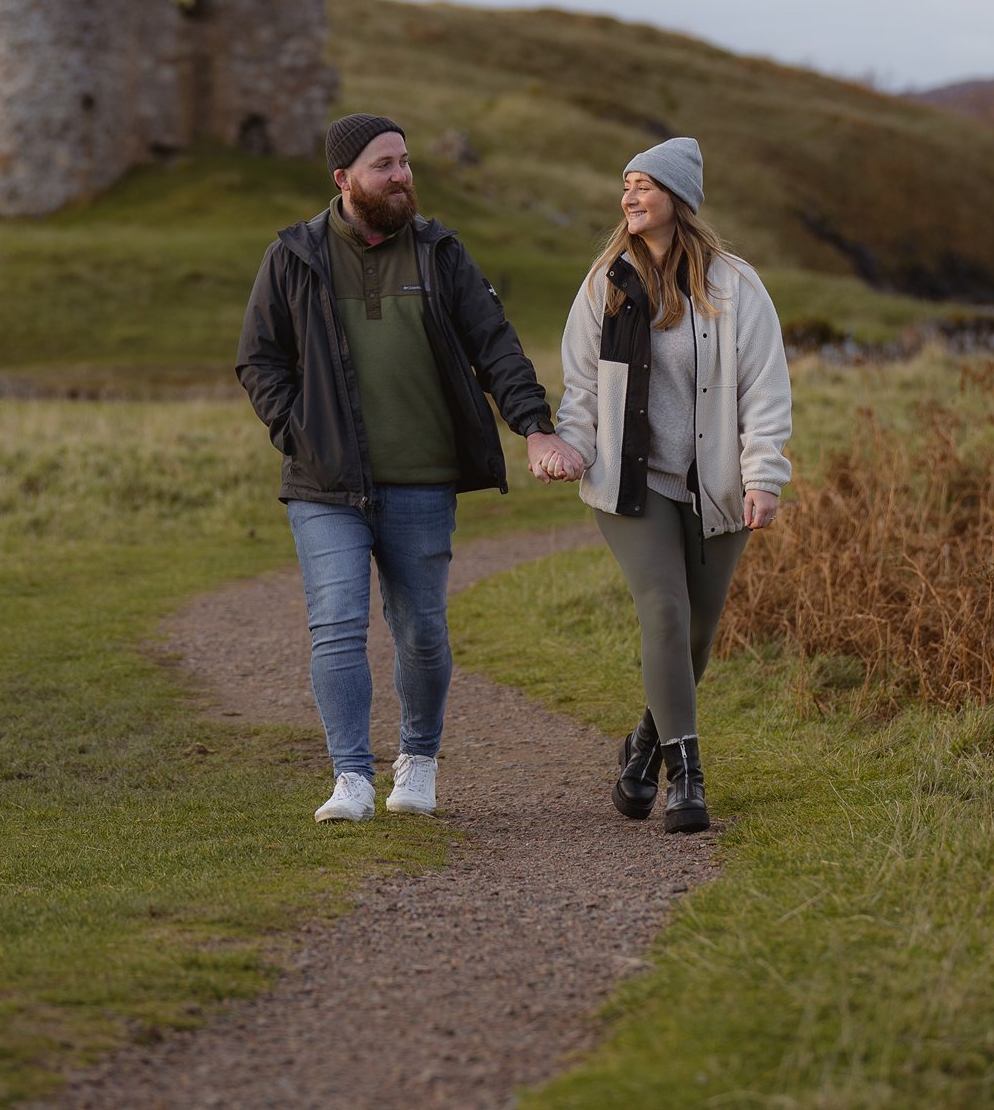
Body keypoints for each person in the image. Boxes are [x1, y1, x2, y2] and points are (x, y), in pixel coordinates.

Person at [236, 112, 583, 824]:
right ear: (344, 179)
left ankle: (418, 761)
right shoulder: (296, 255)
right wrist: (296, 429)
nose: (402, 176)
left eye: (404, 161)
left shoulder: (439, 252)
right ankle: (351, 778)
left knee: (420, 627)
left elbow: (497, 347)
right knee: (336, 623)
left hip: (422, 479)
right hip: (324, 483)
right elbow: (258, 359)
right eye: (383, 165)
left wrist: (535, 428)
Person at [550, 137, 791, 832]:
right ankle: (687, 778)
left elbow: (765, 388)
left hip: (715, 486)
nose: (629, 196)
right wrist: (571, 446)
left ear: (677, 199)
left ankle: (642, 750)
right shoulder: (607, 282)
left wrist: (763, 475)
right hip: (631, 482)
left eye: (644, 185)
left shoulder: (733, 285)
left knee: (695, 635)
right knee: (663, 610)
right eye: (625, 184)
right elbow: (583, 386)